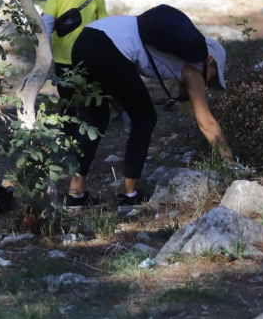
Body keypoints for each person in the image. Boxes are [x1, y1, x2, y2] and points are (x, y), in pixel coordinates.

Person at [64, 13, 231, 210]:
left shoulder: (172, 48)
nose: (208, 83)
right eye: (213, 77)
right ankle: (130, 195)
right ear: (209, 59)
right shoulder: (194, 69)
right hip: (109, 47)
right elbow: (206, 123)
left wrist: (124, 109)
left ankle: (75, 195)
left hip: (85, 40)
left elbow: (117, 81)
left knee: (94, 118)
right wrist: (230, 161)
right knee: (145, 119)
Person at [41, 0, 108, 114]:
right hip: (63, 59)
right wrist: (44, 50)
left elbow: (104, 25)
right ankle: (68, 129)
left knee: (90, 99)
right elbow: (47, 21)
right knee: (67, 101)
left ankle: (89, 128)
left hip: (89, 57)